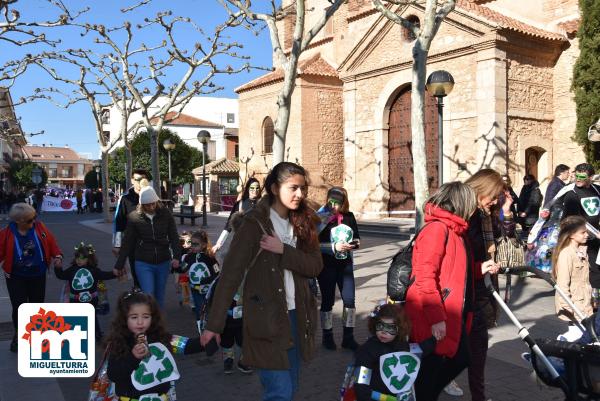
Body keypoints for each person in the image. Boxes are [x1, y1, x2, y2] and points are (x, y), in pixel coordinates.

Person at [201, 162, 323, 401]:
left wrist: (283, 250)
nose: (300, 194)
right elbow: (230, 276)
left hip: (298, 316)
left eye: (303, 188)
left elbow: (315, 266)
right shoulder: (253, 224)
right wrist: (214, 325)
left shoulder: (304, 221)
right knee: (280, 392)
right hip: (266, 319)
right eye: (293, 188)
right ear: (275, 188)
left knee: (291, 385)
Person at [405, 182, 498, 401]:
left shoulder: (456, 231)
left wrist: (479, 268)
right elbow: (425, 275)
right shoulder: (437, 229)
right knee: (431, 371)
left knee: (458, 359)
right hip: (434, 312)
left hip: (452, 313)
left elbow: (456, 270)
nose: (474, 208)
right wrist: (436, 317)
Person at [465, 168, 515, 401]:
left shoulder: (488, 214)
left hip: (482, 287)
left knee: (477, 348)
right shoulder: (466, 216)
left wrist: (505, 212)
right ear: (480, 190)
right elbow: (459, 258)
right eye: (493, 196)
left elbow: (503, 237)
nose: (495, 200)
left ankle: (479, 395)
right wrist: (479, 267)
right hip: (465, 291)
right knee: (465, 350)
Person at [106, 290, 206, 400]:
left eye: (146, 316)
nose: (140, 322)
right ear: (124, 319)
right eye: (134, 317)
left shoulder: (162, 337)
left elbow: (186, 345)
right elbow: (113, 374)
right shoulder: (119, 342)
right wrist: (133, 358)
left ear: (153, 317)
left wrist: (208, 340)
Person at [0, 203, 63, 352]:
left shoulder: (40, 228)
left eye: (34, 218)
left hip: (37, 275)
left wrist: (58, 256)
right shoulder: (6, 234)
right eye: (29, 220)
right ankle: (19, 335)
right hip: (16, 277)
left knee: (36, 307)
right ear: (19, 221)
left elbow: (51, 242)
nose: (33, 222)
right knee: (19, 308)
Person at [114, 186, 181, 308]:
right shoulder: (134, 217)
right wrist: (119, 264)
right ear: (142, 205)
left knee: (159, 296)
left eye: (153, 204)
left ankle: (157, 324)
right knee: (148, 295)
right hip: (143, 261)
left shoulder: (166, 214)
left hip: (163, 260)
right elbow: (128, 242)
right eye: (147, 205)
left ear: (157, 201)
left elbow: (174, 236)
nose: (151, 207)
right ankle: (148, 324)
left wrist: (177, 256)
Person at [353, 303, 435, 401]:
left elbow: (417, 349)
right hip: (373, 396)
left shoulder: (401, 345)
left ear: (399, 329)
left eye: (390, 328)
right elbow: (361, 382)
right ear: (375, 324)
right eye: (380, 326)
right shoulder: (368, 350)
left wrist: (434, 340)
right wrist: (364, 397)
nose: (384, 331)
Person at [316, 186, 361, 351]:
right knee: (327, 301)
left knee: (349, 301)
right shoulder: (320, 218)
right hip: (326, 266)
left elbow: (357, 240)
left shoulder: (349, 217)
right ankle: (327, 337)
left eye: (337, 203)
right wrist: (333, 246)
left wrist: (352, 245)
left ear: (344, 203)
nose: (333, 206)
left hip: (345, 266)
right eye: (331, 202)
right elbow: (312, 244)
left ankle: (348, 338)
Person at [54, 242, 118, 341]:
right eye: (77, 258)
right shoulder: (72, 269)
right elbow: (61, 275)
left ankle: (97, 334)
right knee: (75, 317)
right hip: (75, 299)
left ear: (89, 259)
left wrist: (114, 273)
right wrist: (58, 268)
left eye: (82, 258)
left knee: (92, 316)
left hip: (91, 299)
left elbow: (104, 275)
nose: (79, 260)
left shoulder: (93, 270)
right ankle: (74, 335)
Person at [561, 163, 600, 309]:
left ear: (590, 177)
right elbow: (574, 220)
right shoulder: (572, 194)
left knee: (597, 270)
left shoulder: (597, 190)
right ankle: (585, 305)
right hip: (580, 240)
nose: (577, 179)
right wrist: (595, 233)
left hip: (596, 240)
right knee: (583, 273)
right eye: (576, 175)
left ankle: (596, 303)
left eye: (582, 176)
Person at [113, 168, 150, 288]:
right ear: (132, 180)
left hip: (152, 243)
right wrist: (117, 244)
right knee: (137, 272)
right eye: (137, 179)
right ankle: (139, 293)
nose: (140, 181)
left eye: (143, 178)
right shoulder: (125, 199)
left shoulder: (152, 197)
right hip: (133, 243)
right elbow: (119, 222)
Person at [552, 215, 593, 324]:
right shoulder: (566, 254)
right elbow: (562, 287)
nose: (587, 235)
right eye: (583, 232)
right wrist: (571, 311)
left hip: (585, 307)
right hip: (575, 311)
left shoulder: (582, 251)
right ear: (571, 234)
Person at [179, 230, 219, 327]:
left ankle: (211, 326)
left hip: (208, 289)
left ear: (204, 245)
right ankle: (201, 328)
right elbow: (183, 268)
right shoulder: (189, 257)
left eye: (196, 244)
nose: (192, 246)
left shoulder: (209, 257)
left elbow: (217, 272)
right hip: (195, 288)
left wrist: (208, 279)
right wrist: (176, 266)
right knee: (199, 308)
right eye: (191, 243)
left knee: (209, 308)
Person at [214, 177, 261, 251]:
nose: (255, 190)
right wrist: (218, 244)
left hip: (259, 245)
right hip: (242, 244)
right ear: (248, 188)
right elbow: (229, 225)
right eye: (252, 188)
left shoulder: (263, 204)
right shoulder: (239, 204)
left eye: (257, 188)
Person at [518, 174, 543, 238]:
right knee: (524, 235)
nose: (525, 181)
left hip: (531, 216)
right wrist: (519, 211)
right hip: (523, 215)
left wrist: (526, 212)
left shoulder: (536, 190)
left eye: (527, 179)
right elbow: (520, 199)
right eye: (525, 179)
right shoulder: (524, 188)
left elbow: (534, 203)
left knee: (531, 236)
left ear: (532, 180)